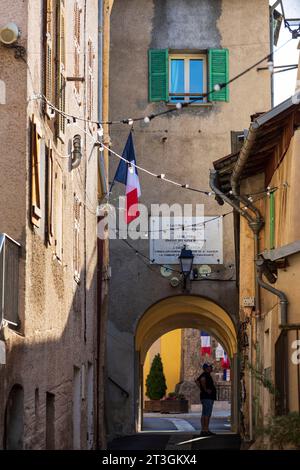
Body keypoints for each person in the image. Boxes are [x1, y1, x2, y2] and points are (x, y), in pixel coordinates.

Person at [195, 363, 217, 436]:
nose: (211, 368)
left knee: (204, 414)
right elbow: (201, 380)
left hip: (205, 397)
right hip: (208, 397)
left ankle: (203, 429)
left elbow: (197, 381)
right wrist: (205, 389)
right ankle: (206, 430)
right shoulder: (205, 375)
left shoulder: (205, 374)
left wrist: (201, 389)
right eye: (210, 367)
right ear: (206, 368)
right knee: (207, 413)